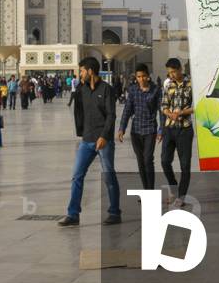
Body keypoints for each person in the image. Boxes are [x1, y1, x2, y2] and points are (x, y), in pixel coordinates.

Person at [58, 56, 121, 226]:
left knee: (108, 175)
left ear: (90, 71)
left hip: (103, 141)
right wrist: (82, 132)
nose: (80, 74)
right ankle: (73, 214)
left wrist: (104, 136)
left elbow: (111, 115)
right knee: (77, 175)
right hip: (87, 140)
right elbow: (79, 112)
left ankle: (114, 212)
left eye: (82, 71)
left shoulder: (107, 89)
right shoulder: (81, 90)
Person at [116, 63, 161, 190]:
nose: (141, 79)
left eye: (143, 76)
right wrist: (122, 128)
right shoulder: (133, 90)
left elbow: (161, 111)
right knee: (140, 162)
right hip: (135, 131)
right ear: (136, 77)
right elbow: (127, 109)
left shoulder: (156, 90)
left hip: (150, 130)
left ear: (148, 76)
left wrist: (161, 129)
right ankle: (146, 190)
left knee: (148, 160)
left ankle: (150, 190)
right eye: (139, 77)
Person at [160, 58, 194, 209]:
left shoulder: (191, 84)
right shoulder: (168, 85)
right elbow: (164, 105)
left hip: (185, 129)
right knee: (165, 161)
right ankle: (173, 188)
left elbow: (196, 106)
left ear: (180, 69)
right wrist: (169, 113)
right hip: (169, 128)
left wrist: (181, 113)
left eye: (173, 72)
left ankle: (181, 196)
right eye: (169, 73)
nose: (172, 75)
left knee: (185, 165)